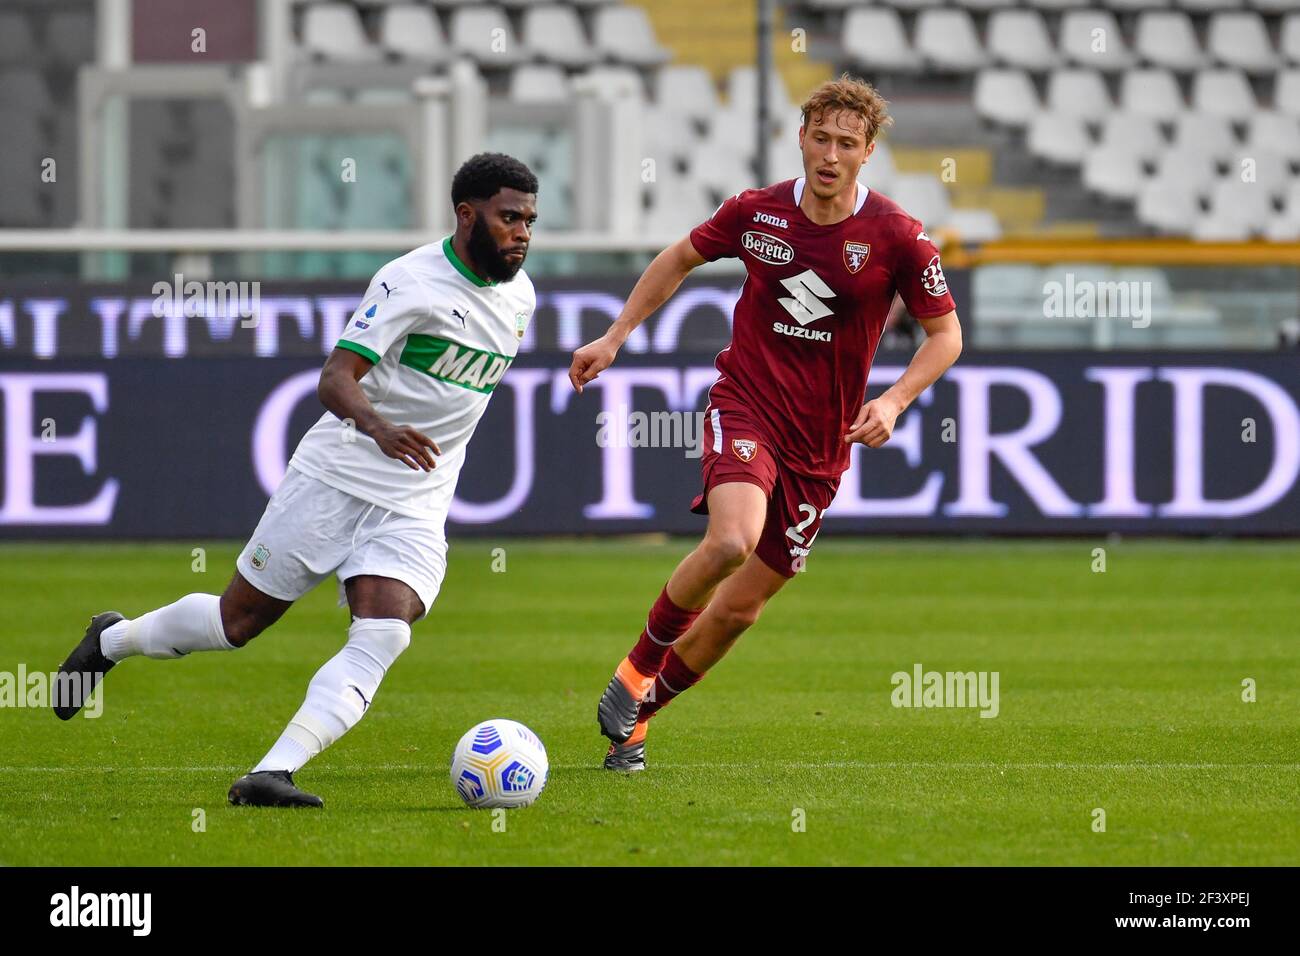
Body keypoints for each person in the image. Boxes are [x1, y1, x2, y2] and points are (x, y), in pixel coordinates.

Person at [52, 153, 540, 807]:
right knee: (236, 625)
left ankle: (271, 773)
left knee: (385, 630)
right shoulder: (409, 284)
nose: (522, 233)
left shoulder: (521, 298)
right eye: (509, 217)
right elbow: (334, 379)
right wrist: (380, 428)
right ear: (466, 214)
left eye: (531, 220)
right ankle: (112, 639)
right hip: (335, 480)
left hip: (417, 499)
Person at [569, 76, 964, 771]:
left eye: (847, 142)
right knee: (730, 540)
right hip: (746, 404)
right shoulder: (758, 212)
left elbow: (946, 336)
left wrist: (896, 399)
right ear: (802, 137)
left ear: (868, 151)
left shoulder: (898, 237)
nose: (831, 154)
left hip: (823, 443)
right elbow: (680, 257)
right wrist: (615, 335)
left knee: (738, 612)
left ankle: (638, 717)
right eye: (821, 137)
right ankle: (634, 671)